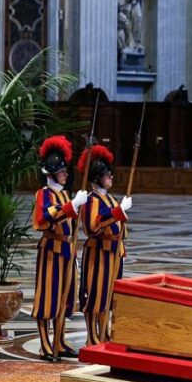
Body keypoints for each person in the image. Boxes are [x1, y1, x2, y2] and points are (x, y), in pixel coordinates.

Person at [32, 136, 84, 362]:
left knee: (66, 298)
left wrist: (76, 208)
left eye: (65, 170)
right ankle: (45, 345)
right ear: (52, 173)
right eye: (62, 171)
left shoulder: (63, 193)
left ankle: (59, 341)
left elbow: (71, 220)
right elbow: (45, 217)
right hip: (51, 249)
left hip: (67, 249)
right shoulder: (44, 193)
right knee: (47, 298)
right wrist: (71, 206)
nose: (66, 174)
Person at [77, 145, 131, 346]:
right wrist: (118, 212)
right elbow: (92, 227)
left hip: (114, 253)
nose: (111, 178)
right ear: (98, 177)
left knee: (109, 297)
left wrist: (120, 215)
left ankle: (104, 332)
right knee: (95, 295)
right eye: (108, 175)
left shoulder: (109, 198)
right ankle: (92, 335)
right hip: (98, 253)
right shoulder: (91, 200)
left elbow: (118, 225)